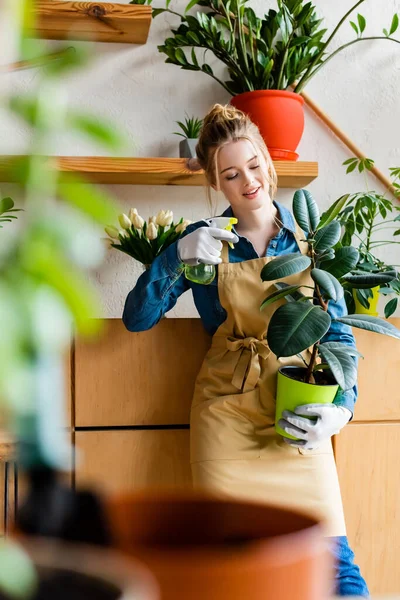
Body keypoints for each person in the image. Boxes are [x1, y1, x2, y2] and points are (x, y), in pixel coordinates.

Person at [122, 104, 369, 596]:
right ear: (217, 184)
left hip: (294, 408)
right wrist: (174, 257)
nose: (248, 182)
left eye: (254, 165)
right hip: (224, 418)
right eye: (231, 174)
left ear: (268, 162)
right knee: (232, 571)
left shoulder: (310, 240)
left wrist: (341, 409)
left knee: (333, 565)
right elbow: (137, 318)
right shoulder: (207, 243)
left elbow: (337, 335)